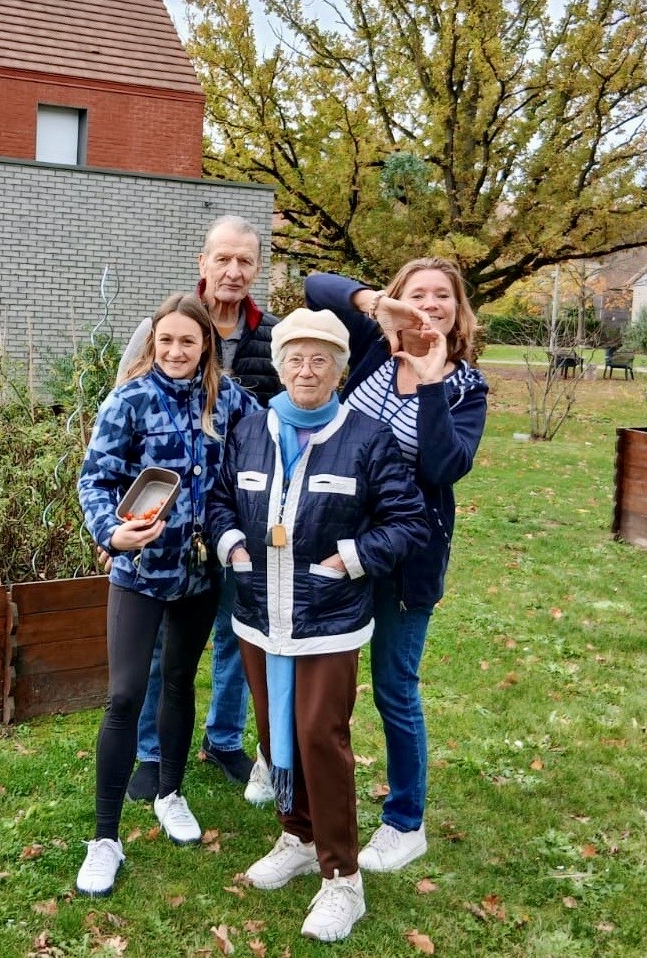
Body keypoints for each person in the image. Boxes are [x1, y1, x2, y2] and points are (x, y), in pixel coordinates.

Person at [208, 308, 429, 942]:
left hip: (328, 618)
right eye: (296, 360)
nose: (307, 371)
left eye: (321, 361)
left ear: (339, 371)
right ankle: (298, 836)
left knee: (317, 736)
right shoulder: (250, 430)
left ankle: (342, 878)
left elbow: (407, 522)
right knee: (275, 733)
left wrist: (350, 559)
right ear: (280, 368)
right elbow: (220, 499)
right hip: (259, 615)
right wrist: (230, 544)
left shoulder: (366, 438)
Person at [305, 258, 488, 873]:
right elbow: (316, 287)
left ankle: (406, 821)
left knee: (393, 688)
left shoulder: (466, 388)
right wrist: (372, 303)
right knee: (317, 679)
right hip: (334, 544)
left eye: (443, 296)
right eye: (418, 293)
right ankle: (297, 788)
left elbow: (443, 467)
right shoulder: (372, 348)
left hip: (406, 561)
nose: (430, 305)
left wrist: (431, 384)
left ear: (458, 310)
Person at [76, 292, 260, 898]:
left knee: (180, 682)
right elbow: (95, 478)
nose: (176, 351)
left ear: (206, 344)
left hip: (200, 575)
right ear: (153, 344)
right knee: (125, 696)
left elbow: (270, 437)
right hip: (139, 573)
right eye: (166, 341)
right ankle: (105, 839)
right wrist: (111, 532)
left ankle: (170, 792)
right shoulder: (129, 400)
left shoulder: (228, 400)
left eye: (188, 341)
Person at [117, 215, 281, 805]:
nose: (234, 271)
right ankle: (151, 752)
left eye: (245, 261)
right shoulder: (163, 326)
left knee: (238, 633)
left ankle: (223, 738)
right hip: (166, 523)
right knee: (163, 645)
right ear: (203, 262)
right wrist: (119, 522)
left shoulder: (273, 336)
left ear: (256, 268)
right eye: (223, 259)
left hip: (240, 517)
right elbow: (122, 417)